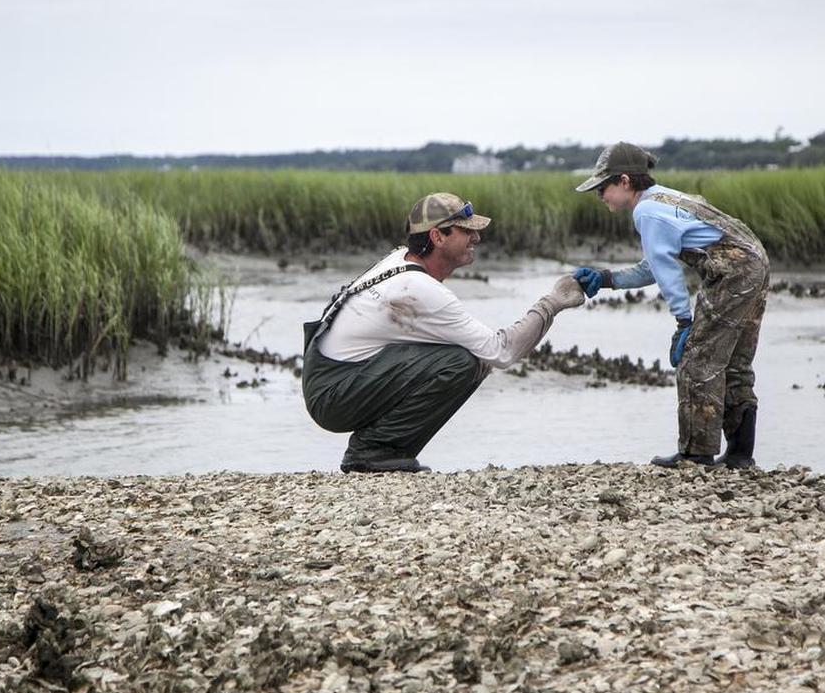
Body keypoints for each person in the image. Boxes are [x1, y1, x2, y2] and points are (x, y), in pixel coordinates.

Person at [302, 192, 585, 473]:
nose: (477, 238)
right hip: (332, 395)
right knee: (465, 362)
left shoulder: (399, 258)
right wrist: (552, 303)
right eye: (467, 231)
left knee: (461, 354)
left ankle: (383, 450)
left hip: (327, 380)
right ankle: (373, 451)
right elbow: (502, 351)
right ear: (438, 237)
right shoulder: (419, 288)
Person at [572, 142, 769, 469]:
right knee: (734, 362)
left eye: (602, 187)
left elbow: (666, 271)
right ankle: (739, 455)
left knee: (697, 359)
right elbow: (653, 265)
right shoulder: (664, 198)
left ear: (624, 181)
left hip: (732, 272)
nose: (599, 195)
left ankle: (695, 454)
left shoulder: (645, 211)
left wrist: (683, 322)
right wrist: (606, 279)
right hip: (754, 263)